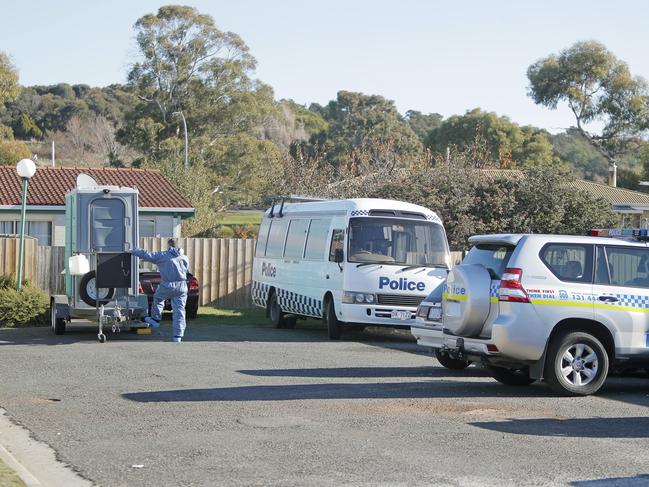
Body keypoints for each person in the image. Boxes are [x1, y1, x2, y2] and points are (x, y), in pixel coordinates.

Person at [132, 239, 190, 343]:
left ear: (169, 245)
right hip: (182, 285)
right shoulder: (184, 257)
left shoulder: (163, 255)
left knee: (158, 298)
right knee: (180, 311)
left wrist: (134, 250)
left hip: (168, 284)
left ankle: (155, 319)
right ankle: (178, 336)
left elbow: (147, 255)